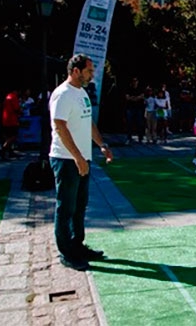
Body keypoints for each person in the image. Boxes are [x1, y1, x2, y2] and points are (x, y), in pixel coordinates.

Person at [49, 54, 113, 271]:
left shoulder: (81, 92)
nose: (92, 74)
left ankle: (78, 245)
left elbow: (88, 122)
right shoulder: (63, 94)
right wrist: (77, 157)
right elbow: (60, 127)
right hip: (66, 159)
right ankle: (66, 253)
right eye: (88, 70)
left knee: (79, 206)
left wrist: (102, 144)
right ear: (75, 71)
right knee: (65, 207)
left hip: (82, 159)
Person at [0, 89, 22, 160]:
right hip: (12, 119)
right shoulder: (13, 97)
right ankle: (3, 148)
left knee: (8, 135)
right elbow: (16, 108)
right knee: (14, 136)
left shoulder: (7, 97)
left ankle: (10, 151)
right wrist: (21, 110)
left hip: (5, 119)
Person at [124, 78, 145, 144]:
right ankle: (129, 138)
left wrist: (133, 98)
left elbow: (142, 96)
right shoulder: (129, 89)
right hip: (130, 108)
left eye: (136, 81)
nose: (135, 82)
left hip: (139, 108)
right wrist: (136, 98)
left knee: (140, 123)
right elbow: (127, 97)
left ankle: (140, 138)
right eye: (133, 81)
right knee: (129, 124)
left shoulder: (140, 89)